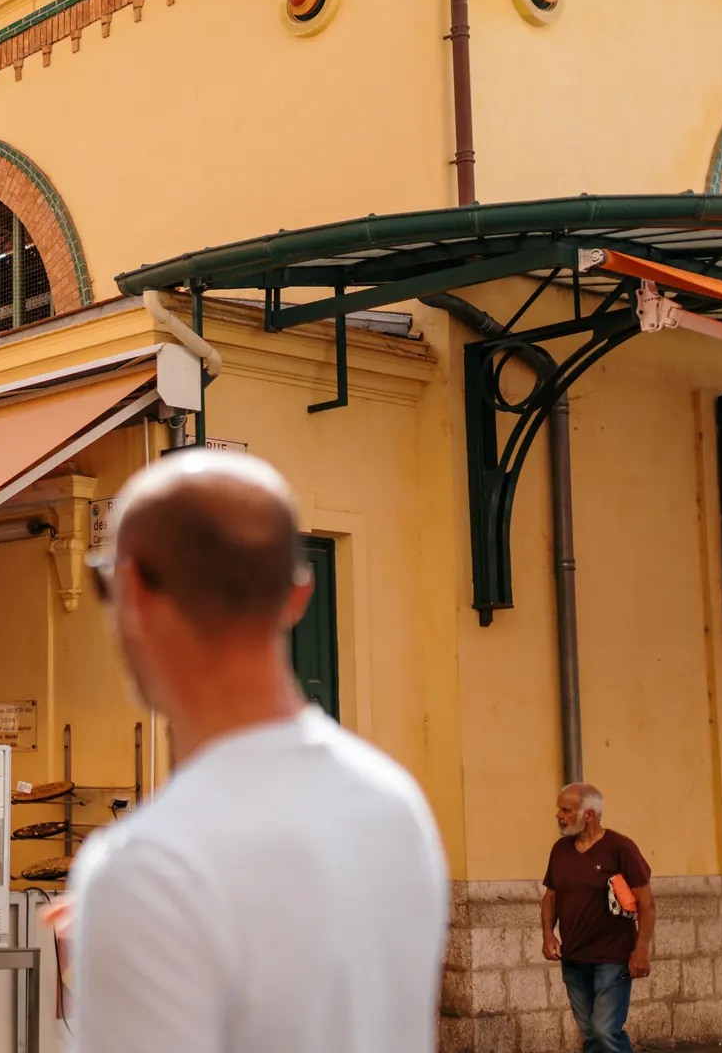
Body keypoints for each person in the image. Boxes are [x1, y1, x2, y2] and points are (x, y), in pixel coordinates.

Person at [68, 450, 448, 1052]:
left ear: (134, 591)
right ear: (298, 596)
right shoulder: (395, 804)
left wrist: (119, 926)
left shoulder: (148, 867)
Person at [542, 782, 653, 1053]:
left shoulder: (621, 848)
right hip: (574, 957)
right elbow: (551, 897)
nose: (558, 815)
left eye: (566, 810)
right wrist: (548, 934)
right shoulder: (560, 850)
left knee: (606, 1031)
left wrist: (641, 949)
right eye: (559, 809)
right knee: (590, 1034)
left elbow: (646, 903)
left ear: (588, 814)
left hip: (612, 958)